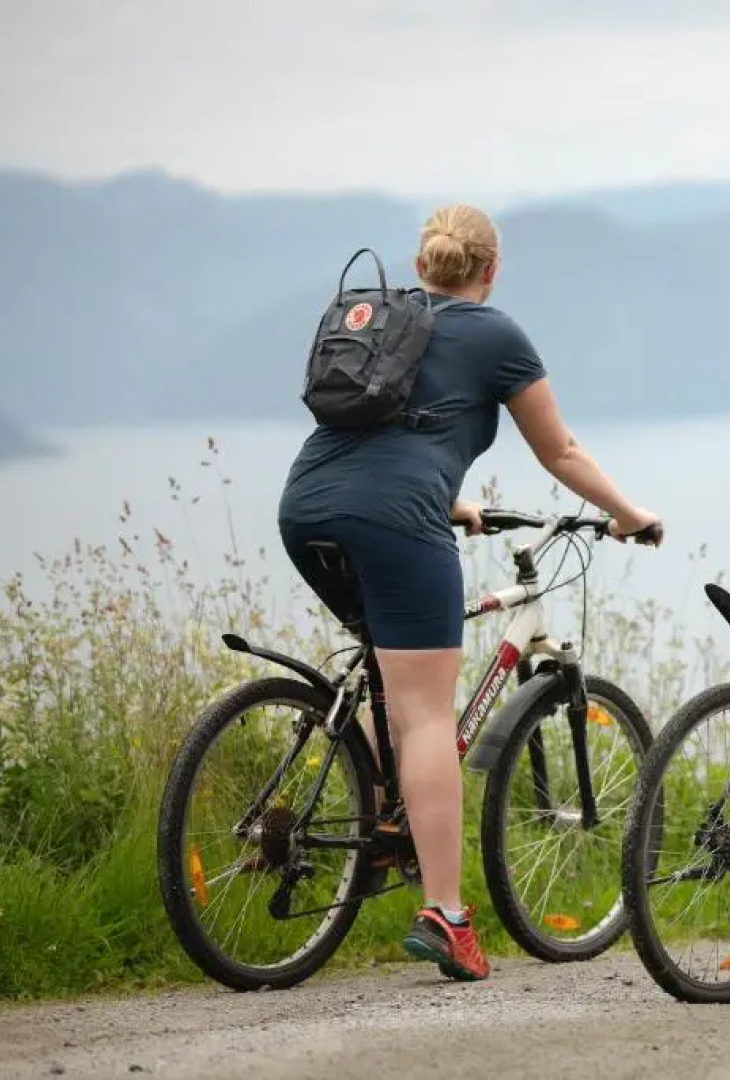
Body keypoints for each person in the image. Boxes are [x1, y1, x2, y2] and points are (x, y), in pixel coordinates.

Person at [277, 204, 663, 982]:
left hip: (306, 505)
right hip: (393, 518)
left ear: (422, 265)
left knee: (391, 680)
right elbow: (558, 449)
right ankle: (448, 915)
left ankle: (382, 815)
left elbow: (381, 428)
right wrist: (630, 516)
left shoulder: (382, 318)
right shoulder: (495, 335)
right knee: (426, 715)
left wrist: (453, 502)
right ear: (490, 270)